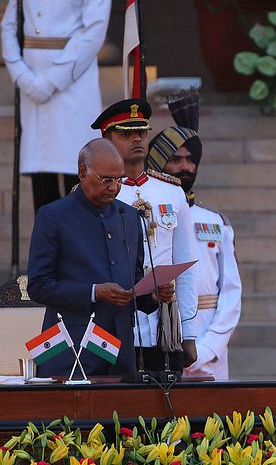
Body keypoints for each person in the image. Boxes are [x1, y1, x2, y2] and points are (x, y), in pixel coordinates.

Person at [26, 139, 172, 378]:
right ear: (83, 172)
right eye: (106, 180)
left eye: (119, 180)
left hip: (122, 349)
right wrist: (94, 291)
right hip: (71, 348)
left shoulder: (130, 216)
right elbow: (38, 286)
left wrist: (153, 295)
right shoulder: (53, 216)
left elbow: (133, 281)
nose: (114, 188)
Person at [1, 0, 110, 212]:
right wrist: (23, 76)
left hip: (71, 89)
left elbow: (92, 35)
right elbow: (9, 28)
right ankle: (47, 257)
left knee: (76, 173)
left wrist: (49, 81)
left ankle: (76, 258)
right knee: (42, 179)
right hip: (32, 90)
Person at [91, 99, 197, 375]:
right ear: (106, 139)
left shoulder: (172, 192)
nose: (137, 139)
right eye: (126, 134)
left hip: (163, 323)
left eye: (141, 132)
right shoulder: (93, 193)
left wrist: (190, 331)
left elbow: (185, 264)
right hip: (113, 323)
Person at [147, 89, 243, 380]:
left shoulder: (215, 221)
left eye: (190, 159)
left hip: (210, 345)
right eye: (175, 159)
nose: (185, 167)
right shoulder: (141, 211)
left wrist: (208, 348)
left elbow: (230, 292)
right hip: (158, 336)